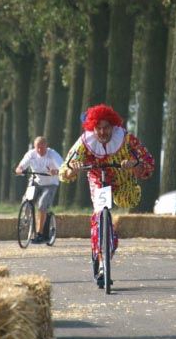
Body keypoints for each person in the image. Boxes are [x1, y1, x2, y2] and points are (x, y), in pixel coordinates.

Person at [59, 104, 154, 286]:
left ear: (113, 126)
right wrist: (74, 170)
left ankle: (109, 240)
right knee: (99, 215)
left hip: (123, 180)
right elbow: (65, 169)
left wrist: (134, 166)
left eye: (106, 128)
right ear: (92, 128)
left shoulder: (126, 140)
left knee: (129, 200)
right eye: (98, 128)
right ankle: (102, 262)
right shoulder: (85, 142)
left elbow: (148, 164)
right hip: (98, 179)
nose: (102, 132)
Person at [15, 136, 63, 244]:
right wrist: (19, 169)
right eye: (38, 148)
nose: (40, 151)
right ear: (34, 147)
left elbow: (63, 167)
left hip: (50, 184)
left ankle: (40, 233)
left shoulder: (53, 154)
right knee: (26, 200)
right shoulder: (30, 154)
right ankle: (26, 219)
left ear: (47, 146)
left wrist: (56, 171)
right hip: (35, 182)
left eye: (42, 148)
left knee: (42, 205)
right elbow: (21, 165)